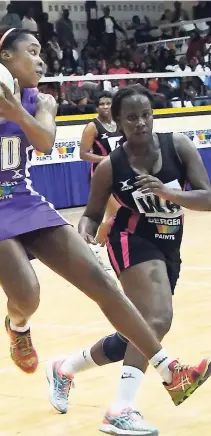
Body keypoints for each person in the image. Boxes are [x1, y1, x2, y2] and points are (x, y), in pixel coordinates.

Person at [0, 28, 209, 413]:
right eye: (33, 51)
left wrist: (16, 111)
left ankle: (169, 372)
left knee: (102, 282)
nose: (42, 59)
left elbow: (45, 141)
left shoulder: (41, 99)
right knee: (27, 294)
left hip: (26, 200)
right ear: (6, 57)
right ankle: (18, 326)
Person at [46, 85, 211, 435]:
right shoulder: (111, 165)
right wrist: (85, 234)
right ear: (118, 122)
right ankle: (121, 408)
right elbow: (90, 214)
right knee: (158, 317)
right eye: (132, 117)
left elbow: (207, 198)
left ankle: (65, 367)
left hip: (168, 244)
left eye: (146, 115)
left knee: (134, 334)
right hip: (129, 239)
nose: (141, 123)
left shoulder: (177, 145)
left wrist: (169, 192)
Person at [79, 91, 121, 268]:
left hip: (121, 174)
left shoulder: (119, 123)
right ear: (96, 107)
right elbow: (83, 154)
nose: (105, 106)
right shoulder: (92, 126)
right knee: (120, 213)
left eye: (108, 103)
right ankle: (94, 247)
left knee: (113, 217)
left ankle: (100, 249)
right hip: (102, 176)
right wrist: (105, 159)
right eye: (101, 104)